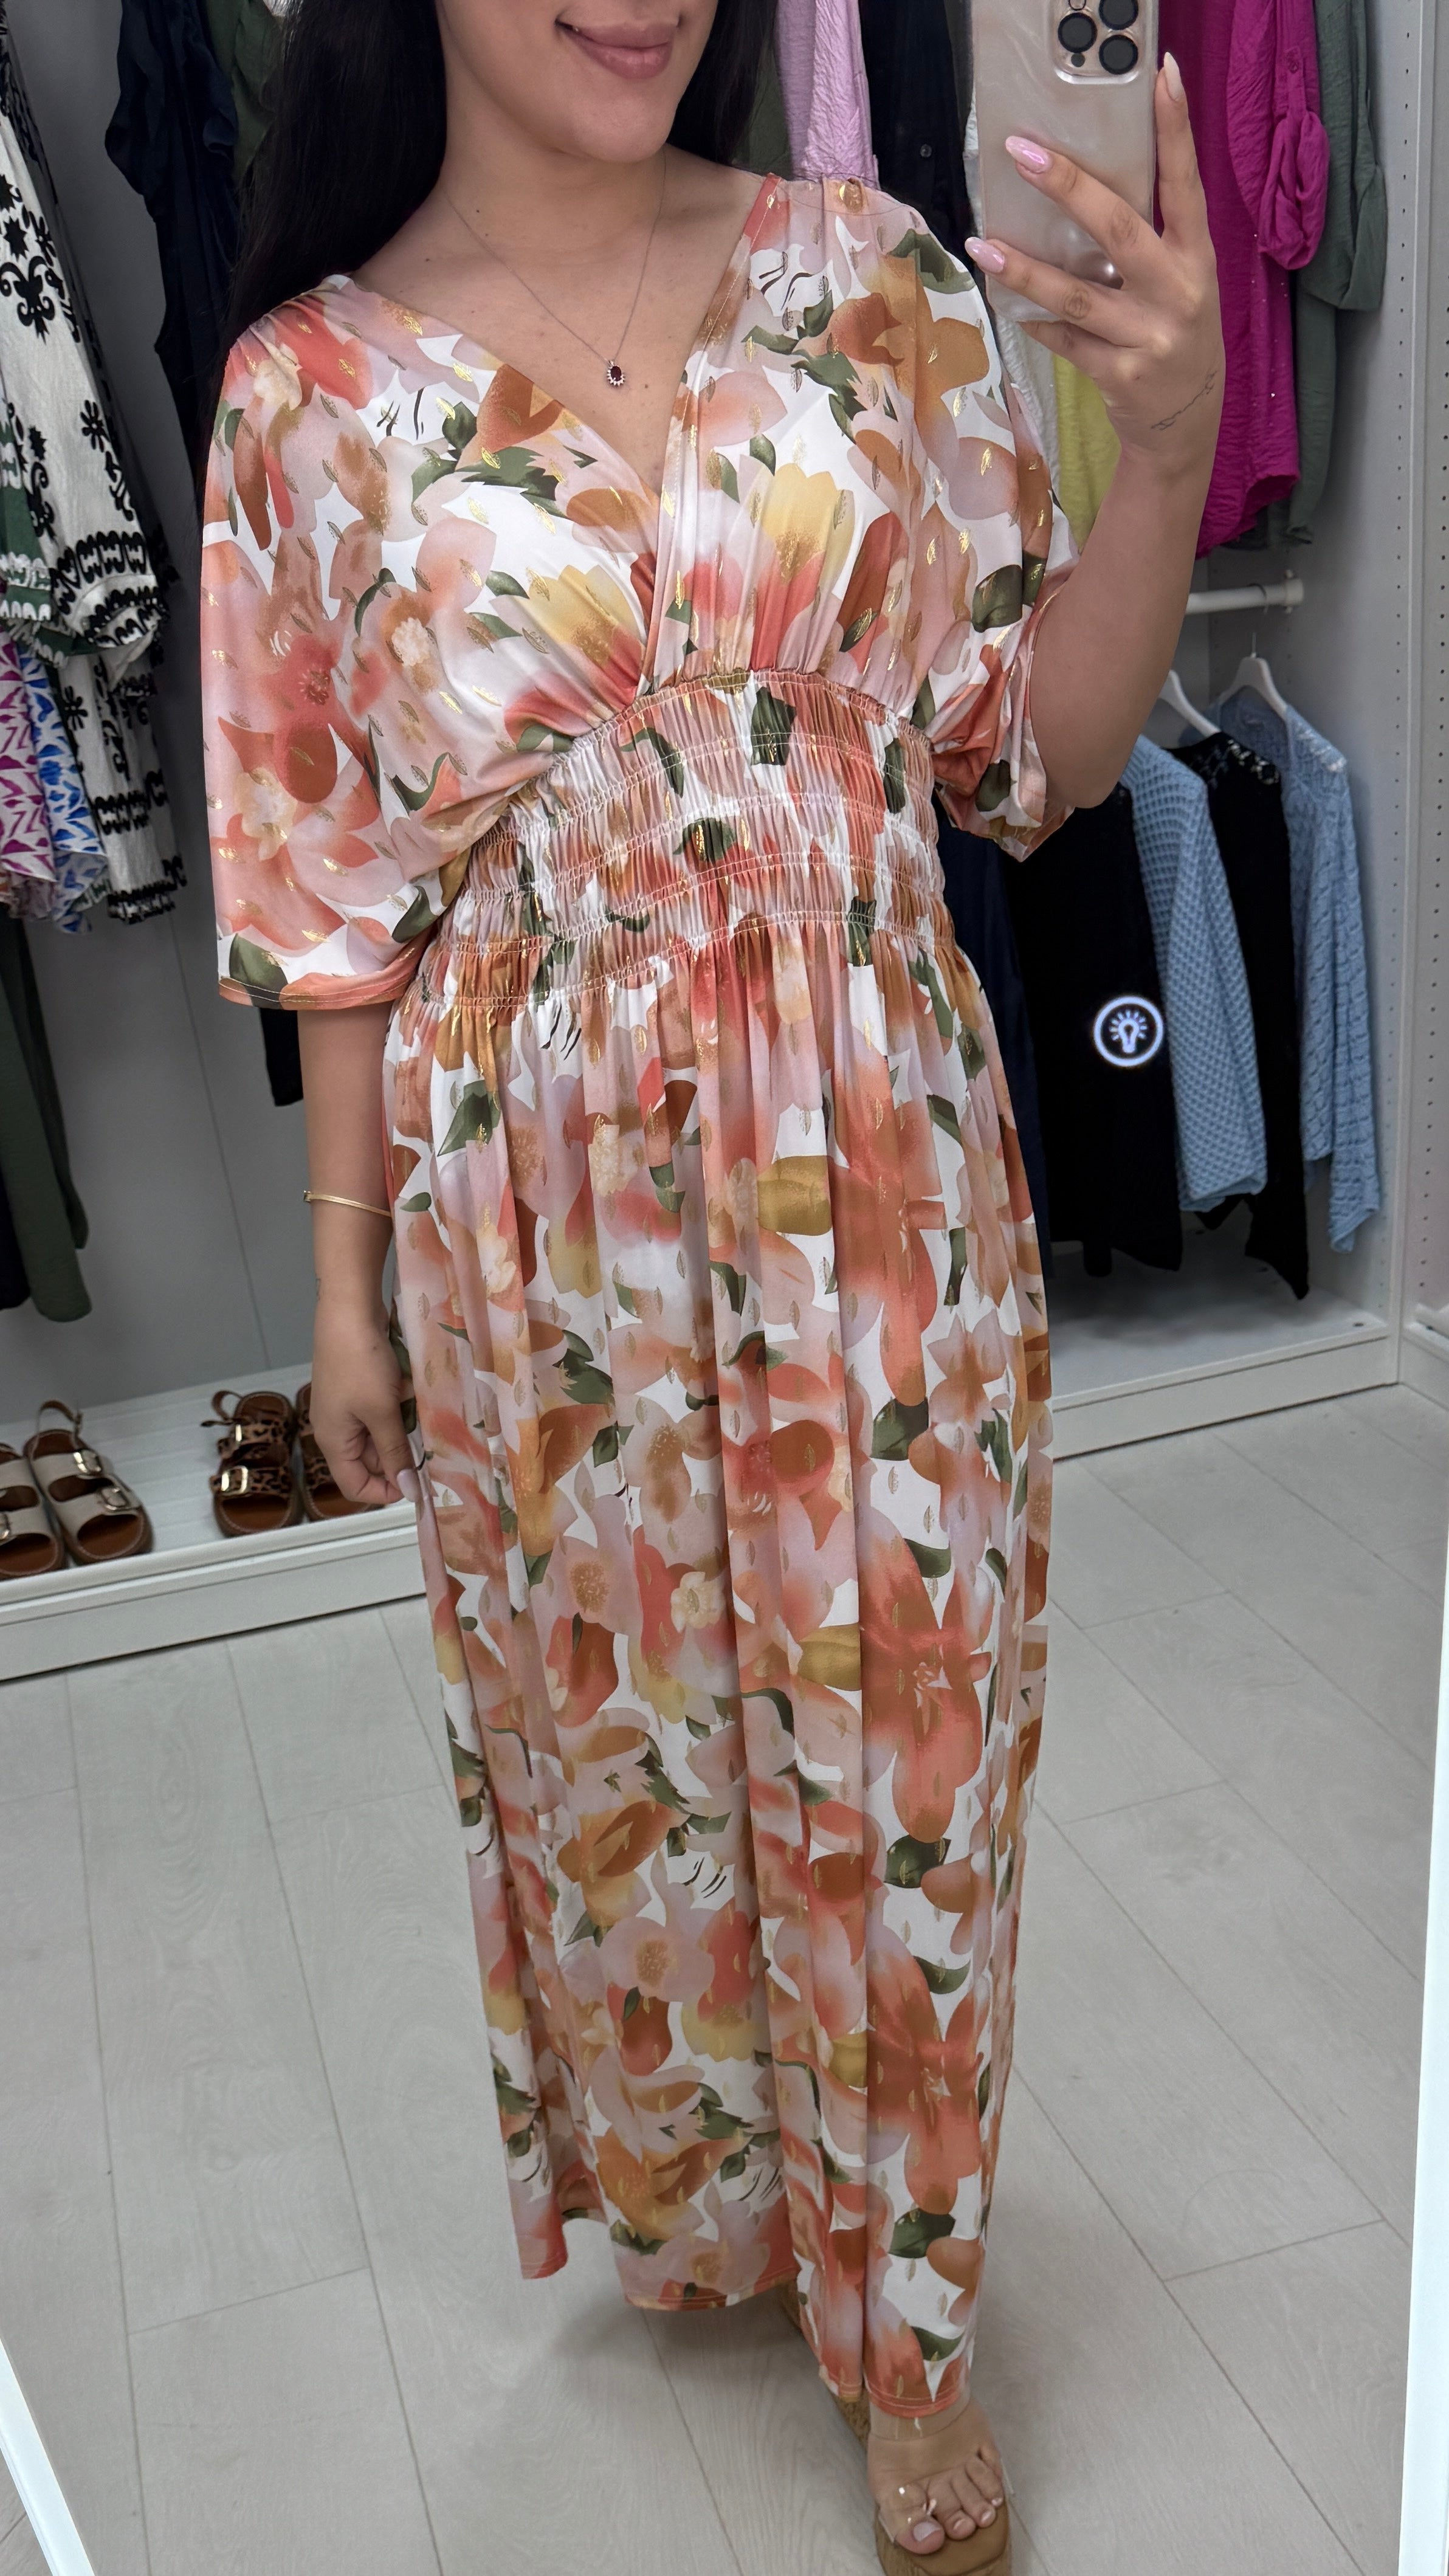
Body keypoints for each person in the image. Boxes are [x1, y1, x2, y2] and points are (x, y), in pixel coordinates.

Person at [201, 5, 1222, 2566]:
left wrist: (1173, 442)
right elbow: (332, 905)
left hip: (876, 1155)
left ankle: (911, 2317)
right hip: (534, 1213)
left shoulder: (865, 278)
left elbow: (1043, 751)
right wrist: (344, 1300)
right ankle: (736, 2199)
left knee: (911, 1746)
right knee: (632, 1745)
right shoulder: (304, 397)